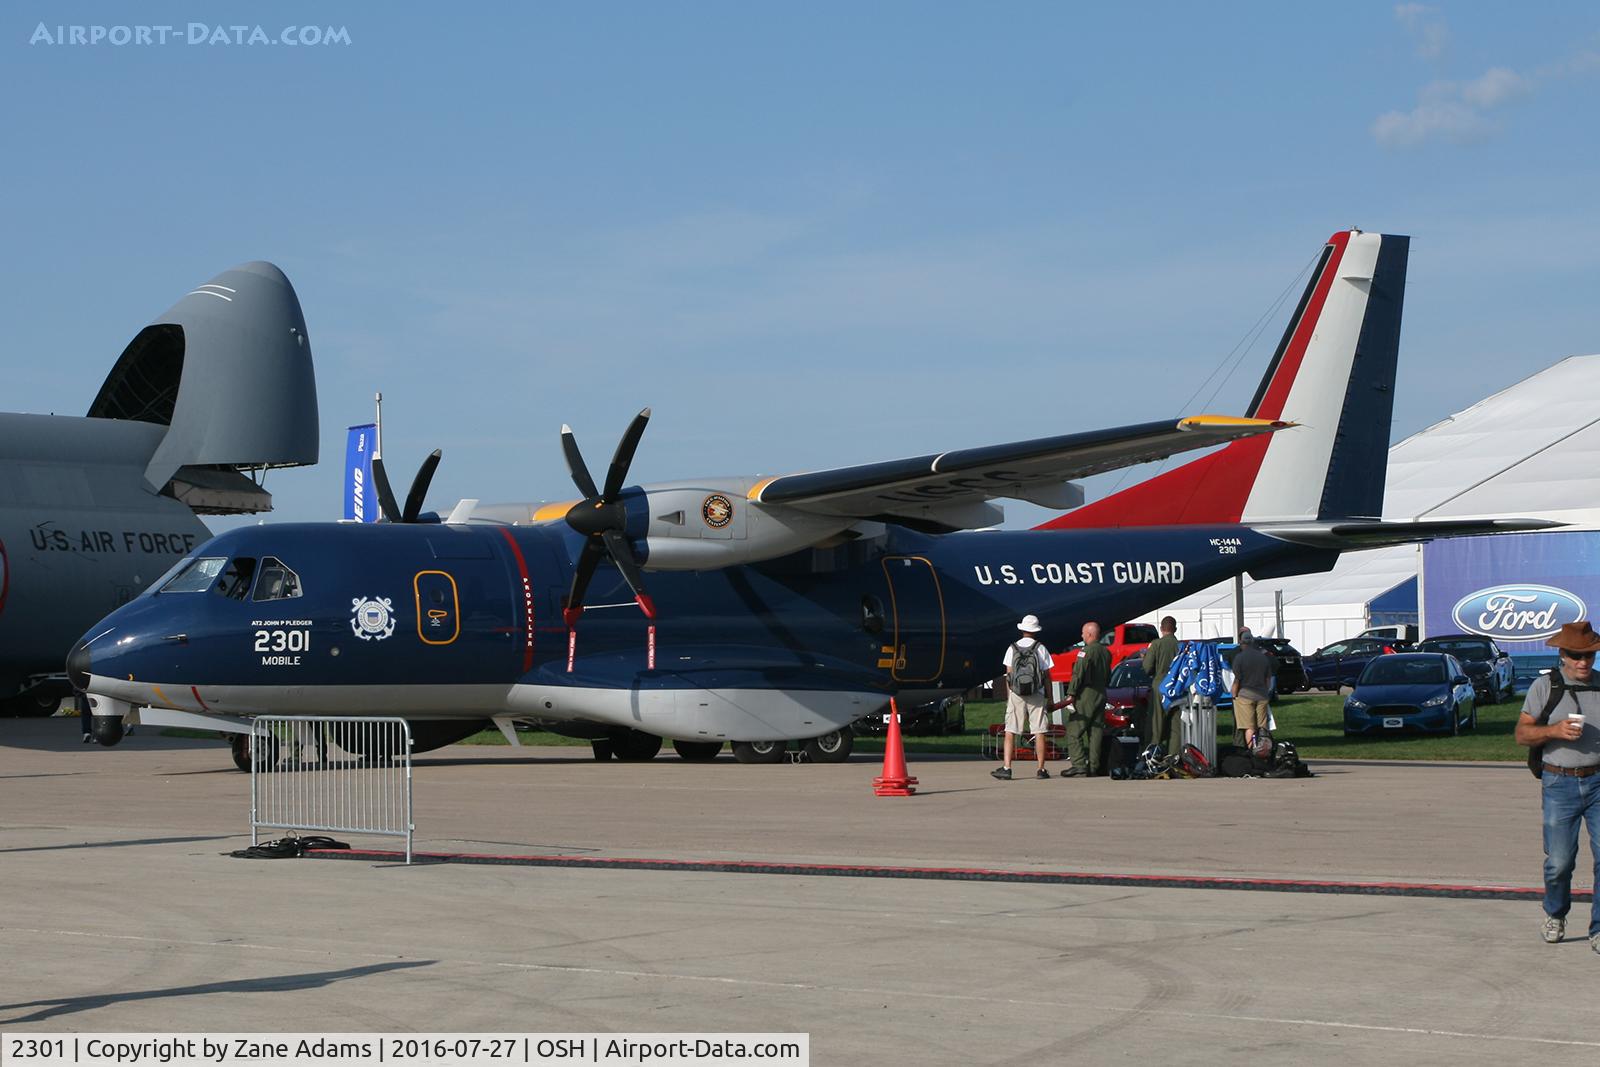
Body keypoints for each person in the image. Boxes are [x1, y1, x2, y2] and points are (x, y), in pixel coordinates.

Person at [1514, 621, 1600, 953]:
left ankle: (1598, 927)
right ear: (1562, 654)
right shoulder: (1544, 687)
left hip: (1598, 781)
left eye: (1589, 656)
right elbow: (1522, 735)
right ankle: (1555, 913)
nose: (1583, 662)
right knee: (1560, 861)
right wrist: (1554, 731)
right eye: (1576, 656)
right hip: (1558, 781)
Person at [993, 615, 1054, 780]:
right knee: (1039, 730)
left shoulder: (1012, 648)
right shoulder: (1041, 648)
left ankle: (1007, 768)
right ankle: (1041, 769)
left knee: (1011, 730)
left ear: (1022, 629)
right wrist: (1050, 698)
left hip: (1016, 693)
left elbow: (1009, 675)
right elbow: (1047, 676)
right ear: (1036, 631)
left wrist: (1009, 696)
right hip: (1037, 692)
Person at [1065, 621, 1110, 777]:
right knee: (1096, 732)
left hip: (1086, 694)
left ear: (1090, 634)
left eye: (1083, 633)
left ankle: (1078, 764)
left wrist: (1071, 693)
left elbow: (1078, 673)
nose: (1082, 636)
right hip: (1101, 693)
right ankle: (1094, 766)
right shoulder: (1106, 652)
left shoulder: (1085, 651)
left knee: (1074, 730)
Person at [1230, 629, 1274, 751]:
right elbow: (1268, 679)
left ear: (1241, 643)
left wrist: (1234, 695)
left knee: (1249, 727)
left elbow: (1237, 679)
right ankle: (1264, 751)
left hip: (1245, 695)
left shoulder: (1239, 658)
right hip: (1262, 695)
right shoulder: (1263, 657)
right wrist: (1266, 691)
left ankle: (1252, 751)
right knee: (1263, 726)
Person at [1141, 616, 1180, 752]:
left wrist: (1144, 657)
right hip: (1176, 688)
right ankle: (1173, 756)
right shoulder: (1180, 646)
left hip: (1159, 686)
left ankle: (1153, 754)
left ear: (1161, 629)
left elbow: (1147, 668)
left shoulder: (1156, 644)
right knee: (1176, 726)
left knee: (1156, 724)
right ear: (1175, 629)